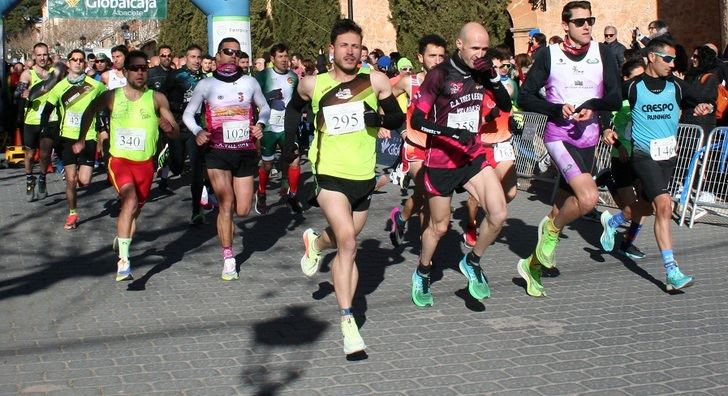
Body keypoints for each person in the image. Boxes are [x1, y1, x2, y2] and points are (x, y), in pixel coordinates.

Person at [283, 19, 404, 355]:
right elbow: (294, 111)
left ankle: (316, 244)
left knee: (341, 240)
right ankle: (348, 321)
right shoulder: (312, 84)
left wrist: (376, 119)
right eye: (344, 45)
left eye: (356, 46)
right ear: (331, 49)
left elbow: (397, 120)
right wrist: (289, 148)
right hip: (329, 175)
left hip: (363, 177)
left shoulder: (375, 81)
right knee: (349, 242)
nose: (350, 51)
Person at [516, 0, 621, 297]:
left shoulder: (603, 53)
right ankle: (551, 232)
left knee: (561, 207)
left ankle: (531, 265)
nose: (587, 26)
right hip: (559, 137)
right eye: (580, 22)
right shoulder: (550, 55)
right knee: (587, 199)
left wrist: (593, 107)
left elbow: (614, 97)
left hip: (588, 140)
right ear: (565, 25)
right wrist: (555, 108)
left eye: (590, 20)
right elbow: (524, 98)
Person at [406, 23, 512, 307]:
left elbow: (505, 105)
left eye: (484, 49)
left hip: (472, 156)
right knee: (439, 227)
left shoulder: (482, 71)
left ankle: (473, 261)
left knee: (499, 214)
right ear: (459, 44)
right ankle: (423, 270)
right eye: (474, 48)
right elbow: (418, 120)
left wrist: (493, 78)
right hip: (441, 160)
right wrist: (451, 133)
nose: (479, 54)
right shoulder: (439, 75)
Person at [602, 37, 713, 291]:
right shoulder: (633, 86)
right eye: (668, 59)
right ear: (652, 57)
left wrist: (704, 106)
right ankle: (672, 271)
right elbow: (609, 105)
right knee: (664, 205)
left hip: (667, 156)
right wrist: (606, 128)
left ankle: (614, 221)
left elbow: (701, 100)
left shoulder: (676, 85)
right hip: (642, 154)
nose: (672, 64)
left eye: (674, 59)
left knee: (648, 208)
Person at [76, 50, 179, 281]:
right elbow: (89, 111)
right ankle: (124, 261)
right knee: (129, 200)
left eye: (144, 68)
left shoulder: (156, 98)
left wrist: (169, 129)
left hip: (145, 164)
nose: (140, 72)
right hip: (119, 160)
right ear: (125, 71)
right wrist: (82, 138)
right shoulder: (112, 96)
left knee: (134, 211)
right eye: (135, 68)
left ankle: (121, 240)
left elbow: (175, 132)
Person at [183, 37, 270, 280]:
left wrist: (260, 124)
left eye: (237, 52)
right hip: (217, 151)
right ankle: (228, 256)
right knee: (226, 203)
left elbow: (264, 108)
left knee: (242, 210)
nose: (232, 56)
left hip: (244, 150)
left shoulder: (250, 82)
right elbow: (188, 115)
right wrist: (198, 132)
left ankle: (214, 206)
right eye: (227, 52)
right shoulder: (206, 85)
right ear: (218, 56)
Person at [388, 34, 447, 246]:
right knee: (428, 192)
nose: (437, 61)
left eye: (441, 56)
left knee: (423, 196)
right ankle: (426, 252)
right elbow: (386, 100)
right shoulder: (409, 82)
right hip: (415, 147)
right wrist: (398, 127)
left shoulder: (450, 84)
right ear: (420, 57)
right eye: (432, 56)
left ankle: (402, 218)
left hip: (439, 149)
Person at [40, 49, 106, 229]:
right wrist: (45, 129)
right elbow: (47, 111)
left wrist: (104, 130)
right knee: (71, 179)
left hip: (88, 137)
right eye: (74, 60)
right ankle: (72, 213)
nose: (77, 62)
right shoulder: (59, 87)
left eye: (81, 60)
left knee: (84, 181)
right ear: (68, 63)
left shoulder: (96, 86)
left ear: (85, 64)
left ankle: (74, 184)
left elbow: (105, 109)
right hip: (66, 137)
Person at [462, 47, 519, 248]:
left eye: (500, 67)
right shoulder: (474, 89)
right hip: (483, 146)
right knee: (477, 196)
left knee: (511, 192)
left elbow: (509, 104)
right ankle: (470, 224)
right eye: (493, 67)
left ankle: (492, 213)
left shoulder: (508, 86)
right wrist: (486, 117)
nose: (497, 70)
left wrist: (514, 122)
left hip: (503, 145)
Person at [597, 58, 651, 259]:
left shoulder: (646, 98)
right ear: (626, 79)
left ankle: (626, 242)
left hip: (643, 158)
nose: (640, 82)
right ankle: (620, 235)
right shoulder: (619, 100)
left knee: (645, 206)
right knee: (631, 208)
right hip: (622, 157)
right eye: (636, 78)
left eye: (643, 77)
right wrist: (613, 139)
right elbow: (607, 123)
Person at [255, 43, 302, 214]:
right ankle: (261, 193)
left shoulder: (293, 77)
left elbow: (298, 98)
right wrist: (269, 96)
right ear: (272, 59)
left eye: (286, 56)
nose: (284, 60)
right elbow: (253, 98)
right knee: (267, 165)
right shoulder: (263, 76)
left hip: (287, 126)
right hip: (269, 127)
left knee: (294, 159)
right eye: (280, 57)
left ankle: (293, 196)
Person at [166, 44, 208, 225]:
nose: (197, 61)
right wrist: (175, 109)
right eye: (193, 57)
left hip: (195, 129)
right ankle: (168, 157)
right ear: (186, 58)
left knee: (198, 169)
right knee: (176, 168)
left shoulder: (205, 79)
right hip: (177, 127)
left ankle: (196, 210)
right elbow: (161, 98)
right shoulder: (176, 76)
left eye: (199, 57)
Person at [16, 42, 61, 201]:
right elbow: (17, 93)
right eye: (39, 55)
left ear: (48, 55)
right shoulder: (27, 74)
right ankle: (30, 180)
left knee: (45, 154)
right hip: (32, 120)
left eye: (45, 54)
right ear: (34, 56)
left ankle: (42, 179)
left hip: (50, 119)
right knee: (29, 154)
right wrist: (24, 92)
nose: (42, 58)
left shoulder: (54, 73)